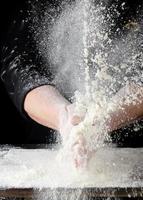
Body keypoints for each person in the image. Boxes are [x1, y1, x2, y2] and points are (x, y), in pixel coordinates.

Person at [1, 0, 143, 167]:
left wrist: (104, 118)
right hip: (48, 150)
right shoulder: (34, 6)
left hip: (133, 153)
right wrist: (63, 117)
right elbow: (17, 64)